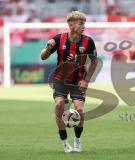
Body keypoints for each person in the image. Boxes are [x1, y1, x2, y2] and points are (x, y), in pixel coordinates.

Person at [40, 11, 98, 153]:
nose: (83, 26)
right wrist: (48, 47)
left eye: (84, 23)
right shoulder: (59, 39)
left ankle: (77, 140)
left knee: (79, 110)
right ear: (71, 24)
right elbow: (43, 57)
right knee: (60, 105)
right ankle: (65, 142)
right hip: (60, 80)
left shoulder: (88, 41)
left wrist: (86, 80)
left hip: (78, 81)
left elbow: (95, 62)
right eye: (80, 23)